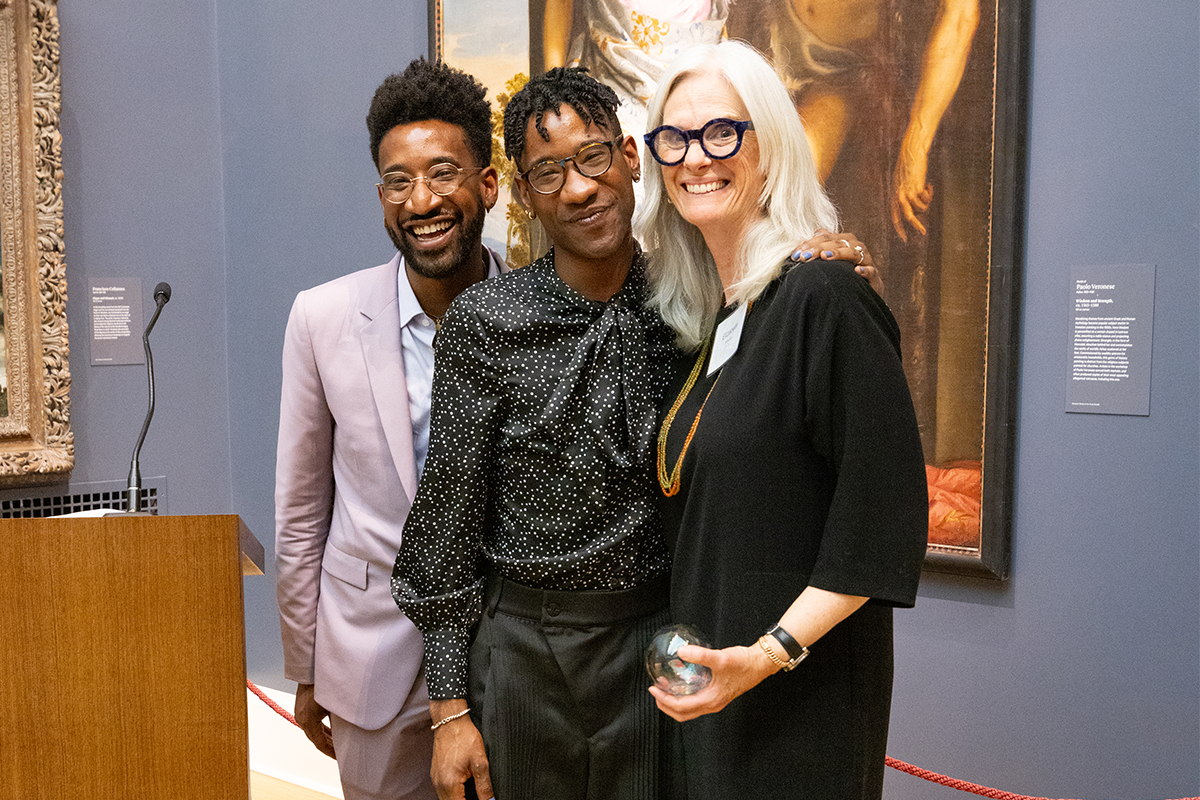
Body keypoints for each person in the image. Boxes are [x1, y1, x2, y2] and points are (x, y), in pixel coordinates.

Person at [392, 64, 882, 800]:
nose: (580, 188)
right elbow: (444, 531)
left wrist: (832, 253)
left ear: (629, 157)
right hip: (525, 650)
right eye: (549, 172)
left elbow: (790, 342)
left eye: (593, 157)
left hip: (661, 640)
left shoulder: (697, 301)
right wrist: (448, 708)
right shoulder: (485, 324)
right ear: (523, 194)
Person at [635, 40, 928, 800]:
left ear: (771, 147)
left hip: (799, 700)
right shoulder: (718, 317)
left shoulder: (826, 297)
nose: (696, 158)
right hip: (716, 694)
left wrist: (767, 656)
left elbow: (881, 521)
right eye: (674, 139)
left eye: (722, 132)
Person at [274, 58, 503, 800]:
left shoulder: (544, 311)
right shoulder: (322, 317)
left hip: (514, 655)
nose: (423, 200)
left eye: (443, 173)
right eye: (399, 181)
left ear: (489, 185)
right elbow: (302, 511)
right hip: (373, 659)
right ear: (381, 198)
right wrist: (306, 665)